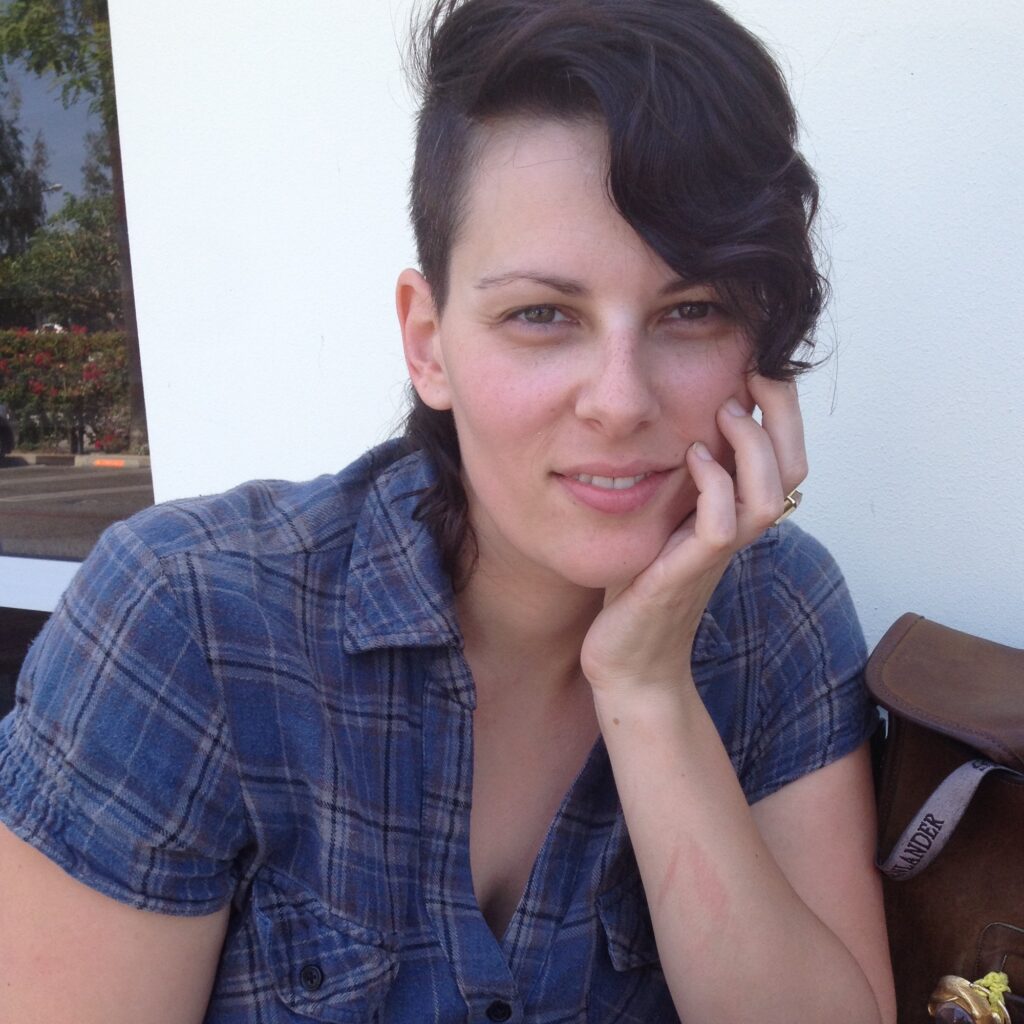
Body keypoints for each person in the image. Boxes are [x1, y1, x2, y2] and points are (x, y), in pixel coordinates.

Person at [0, 0, 897, 1020]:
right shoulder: (190, 622)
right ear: (427, 342)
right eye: (540, 316)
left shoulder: (776, 619)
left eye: (689, 311)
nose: (619, 397)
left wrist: (648, 689)